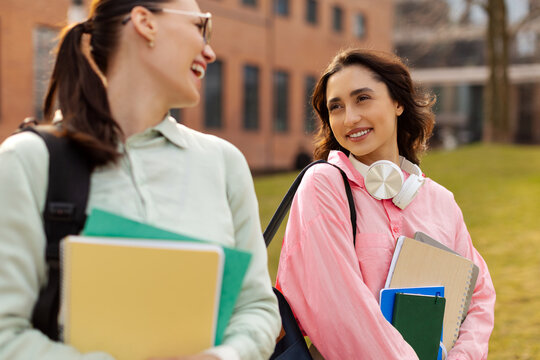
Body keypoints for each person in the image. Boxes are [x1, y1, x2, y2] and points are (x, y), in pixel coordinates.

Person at [0, 0, 280, 359]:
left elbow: (257, 307)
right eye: (200, 27)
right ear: (145, 22)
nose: (209, 52)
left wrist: (223, 356)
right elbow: (6, 335)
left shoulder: (224, 163)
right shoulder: (27, 161)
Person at [275, 48, 495, 359]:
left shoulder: (441, 202)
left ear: (398, 102)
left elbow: (479, 295)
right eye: (335, 107)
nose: (350, 118)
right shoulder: (324, 186)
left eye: (362, 98)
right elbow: (340, 309)